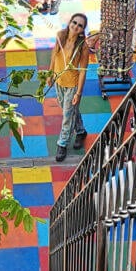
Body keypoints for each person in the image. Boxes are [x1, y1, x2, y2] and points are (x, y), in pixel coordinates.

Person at [48, 13, 90, 161]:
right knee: (70, 110)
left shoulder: (83, 46)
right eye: (74, 22)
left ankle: (62, 144)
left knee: (67, 115)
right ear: (70, 22)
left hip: (72, 85)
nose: (76, 26)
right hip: (59, 81)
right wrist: (50, 73)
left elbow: (83, 72)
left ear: (83, 29)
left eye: (80, 25)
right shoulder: (60, 35)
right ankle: (80, 131)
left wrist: (78, 93)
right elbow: (54, 54)